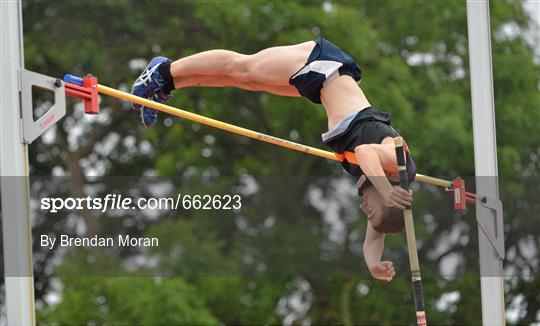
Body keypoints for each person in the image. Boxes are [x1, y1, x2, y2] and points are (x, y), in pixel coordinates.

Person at [131, 37, 415, 281]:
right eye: (371, 211)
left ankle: (165, 85)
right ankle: (163, 70)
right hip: (323, 65)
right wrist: (389, 192)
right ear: (390, 197)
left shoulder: (383, 187)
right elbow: (366, 153)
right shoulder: (397, 165)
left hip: (318, 85)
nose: (363, 208)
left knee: (246, 81)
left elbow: (376, 235)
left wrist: (374, 264)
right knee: (241, 67)